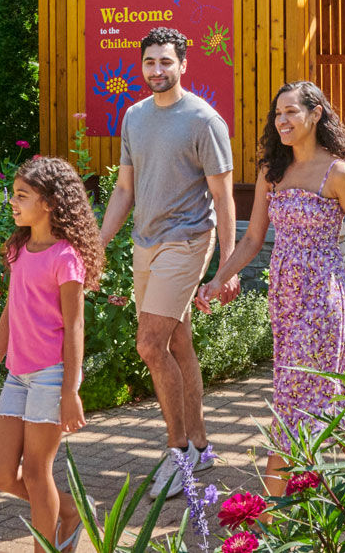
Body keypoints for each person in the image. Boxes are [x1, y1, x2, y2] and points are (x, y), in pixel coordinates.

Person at [198, 81, 345, 496]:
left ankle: (274, 502)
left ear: (316, 114)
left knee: (295, 390)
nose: (282, 120)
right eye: (278, 113)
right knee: (325, 386)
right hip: (283, 297)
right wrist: (218, 279)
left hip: (322, 295)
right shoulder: (273, 171)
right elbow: (253, 239)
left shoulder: (338, 173)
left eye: (291, 112)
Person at [96, 26, 235, 496]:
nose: (157, 70)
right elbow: (123, 189)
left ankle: (178, 455)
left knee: (150, 345)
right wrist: (98, 243)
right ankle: (199, 443)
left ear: (183, 65)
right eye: (150, 62)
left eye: (165, 62)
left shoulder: (203, 121)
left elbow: (223, 196)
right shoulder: (134, 117)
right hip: (146, 241)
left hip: (188, 239)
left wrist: (227, 265)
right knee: (177, 343)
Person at [0, 156, 106, 552]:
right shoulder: (19, 250)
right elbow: (10, 315)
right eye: (13, 194)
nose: (12, 202)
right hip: (17, 374)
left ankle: (45, 547)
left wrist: (70, 390)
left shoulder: (66, 257)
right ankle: (72, 508)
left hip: (50, 375)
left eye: (21, 195)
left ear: (48, 202)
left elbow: (75, 327)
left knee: (35, 472)